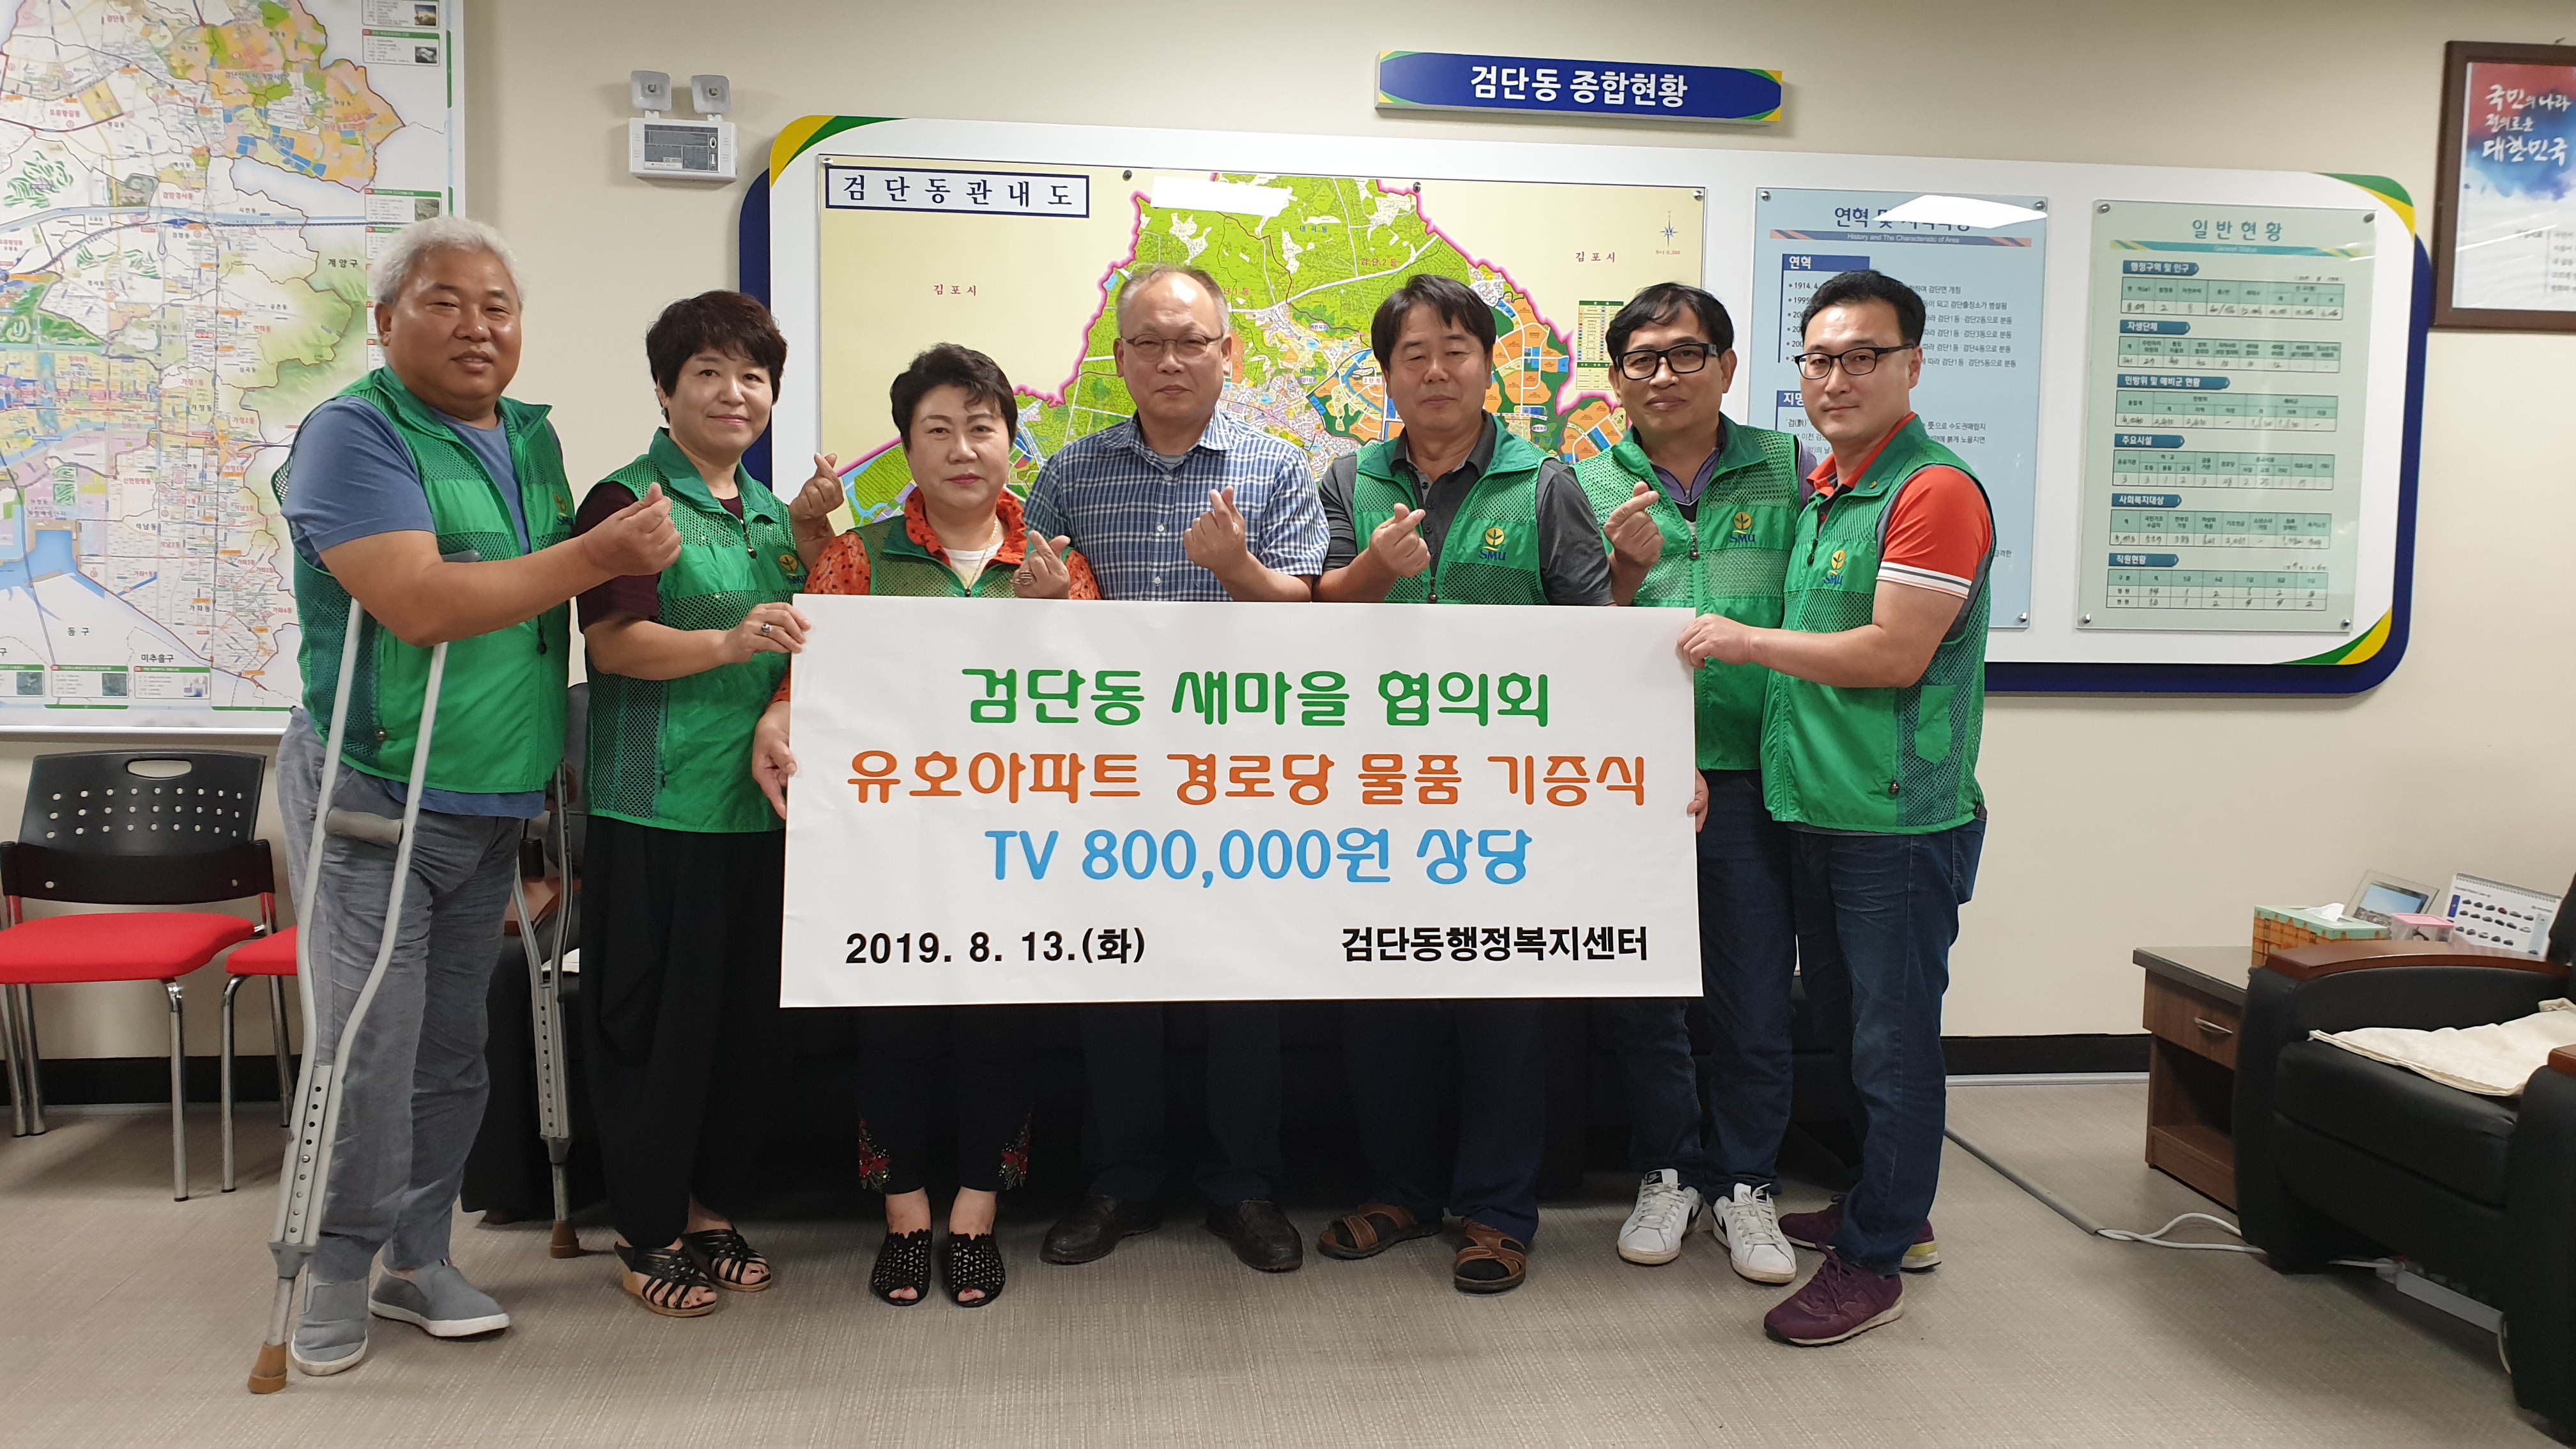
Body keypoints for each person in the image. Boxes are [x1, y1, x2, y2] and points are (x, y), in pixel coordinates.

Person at [275, 216, 681, 1376]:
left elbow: (536, 607)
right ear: (385, 320)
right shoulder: (353, 435)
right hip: (375, 792)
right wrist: (598, 558)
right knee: (371, 1045)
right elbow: (419, 604)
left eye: (497, 307)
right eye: (445, 303)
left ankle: (416, 1256)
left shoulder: (530, 437)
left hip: (493, 798)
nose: (477, 328)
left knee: (453, 1048)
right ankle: (335, 1268)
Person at [751, 342, 1101, 1308]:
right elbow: (809, 682)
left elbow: (1097, 706)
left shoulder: (1057, 565)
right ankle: (905, 1216)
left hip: (1015, 847)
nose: (961, 449)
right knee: (893, 1026)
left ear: (1010, 444)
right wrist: (779, 717)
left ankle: (976, 1214)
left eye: (981, 429)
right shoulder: (856, 557)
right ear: (907, 447)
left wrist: (1055, 622)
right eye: (937, 430)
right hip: (888, 848)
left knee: (1000, 1026)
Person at [1680, 269, 1992, 1346]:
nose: (1837, 378)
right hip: (1816, 809)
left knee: (1892, 1050)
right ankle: (1879, 1209)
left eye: (1864, 357)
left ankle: (1879, 1255)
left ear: (1913, 364)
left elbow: (1896, 653)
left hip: (1896, 823)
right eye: (1819, 359)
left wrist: (1744, 640)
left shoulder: (1932, 491)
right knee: (1851, 1035)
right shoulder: (1829, 491)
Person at [1020, 263, 1324, 1276]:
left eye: (1192, 340)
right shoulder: (1069, 475)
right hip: (1107, 774)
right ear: (1119, 359)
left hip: (1241, 771)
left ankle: (1244, 1186)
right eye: (1148, 342)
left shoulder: (1277, 469)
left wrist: (1240, 571)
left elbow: (1310, 623)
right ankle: (1122, 1180)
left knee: (1244, 985)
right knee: (1115, 976)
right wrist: (1037, 607)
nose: (1171, 360)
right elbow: (1036, 625)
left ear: (1228, 353)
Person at [1311, 273, 1611, 1295]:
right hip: (1375, 790)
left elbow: (1593, 643)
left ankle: (1496, 1210)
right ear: (1385, 374)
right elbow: (1316, 626)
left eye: (1456, 350)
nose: (1435, 371)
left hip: (1506, 796)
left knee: (1501, 1006)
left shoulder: (1545, 484)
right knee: (1382, 994)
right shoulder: (1347, 480)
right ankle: (1399, 1190)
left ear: (1490, 365)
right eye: (1413, 354)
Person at [572, 291, 843, 1317]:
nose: (735, 394)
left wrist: (818, 536)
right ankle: (645, 1231)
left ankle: (711, 1210)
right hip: (659, 808)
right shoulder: (627, 502)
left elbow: (828, 632)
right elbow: (613, 647)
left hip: (765, 811)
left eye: (754, 377)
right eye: (709, 374)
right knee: (657, 1031)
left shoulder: (774, 514)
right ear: (665, 389)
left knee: (745, 1032)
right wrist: (727, 643)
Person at [1574, 283, 1803, 1283]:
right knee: (1645, 995)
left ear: (1727, 366)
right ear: (1617, 377)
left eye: (1686, 354)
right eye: (1642, 359)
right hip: (1633, 779)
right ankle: (1669, 1170)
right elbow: (1567, 637)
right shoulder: (1582, 481)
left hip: (1754, 772)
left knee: (1754, 997)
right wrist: (1622, 574)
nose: (1663, 374)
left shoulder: (1793, 469)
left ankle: (1748, 1184)